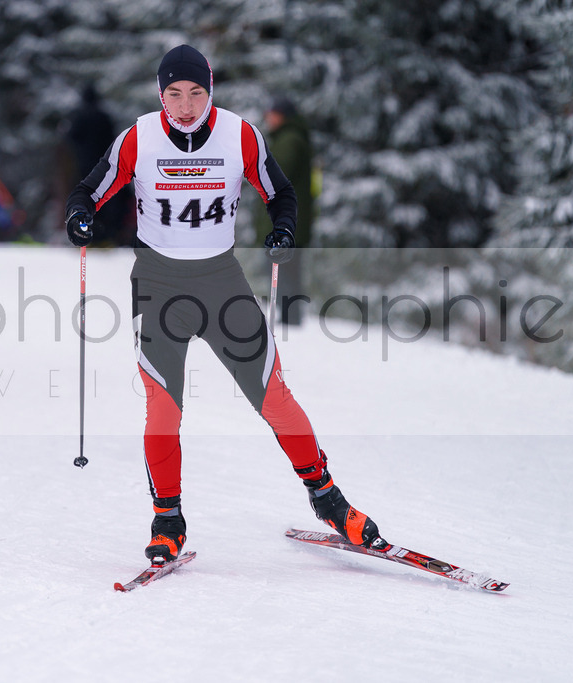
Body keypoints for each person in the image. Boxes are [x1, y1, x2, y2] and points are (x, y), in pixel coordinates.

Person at [65, 44, 380, 564]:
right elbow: (87, 191)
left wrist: (283, 229)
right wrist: (80, 217)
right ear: (159, 93)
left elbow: (282, 194)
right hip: (157, 285)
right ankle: (168, 520)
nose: (185, 106)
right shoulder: (138, 138)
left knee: (272, 395)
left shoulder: (240, 135)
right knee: (163, 409)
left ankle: (328, 499)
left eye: (196, 93)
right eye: (174, 94)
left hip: (222, 283)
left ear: (210, 91)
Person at [254, 98, 314, 325]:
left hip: (285, 220)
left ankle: (290, 319)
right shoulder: (294, 138)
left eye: (272, 113)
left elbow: (273, 175)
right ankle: (293, 317)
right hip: (295, 219)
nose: (268, 118)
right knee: (290, 269)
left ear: (282, 116)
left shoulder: (288, 141)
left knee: (282, 269)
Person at [63, 83, 132, 246]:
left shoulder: (78, 116)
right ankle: (105, 235)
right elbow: (113, 138)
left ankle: (85, 234)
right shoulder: (104, 116)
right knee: (105, 200)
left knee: (85, 198)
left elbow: (70, 138)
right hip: (103, 163)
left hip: (83, 165)